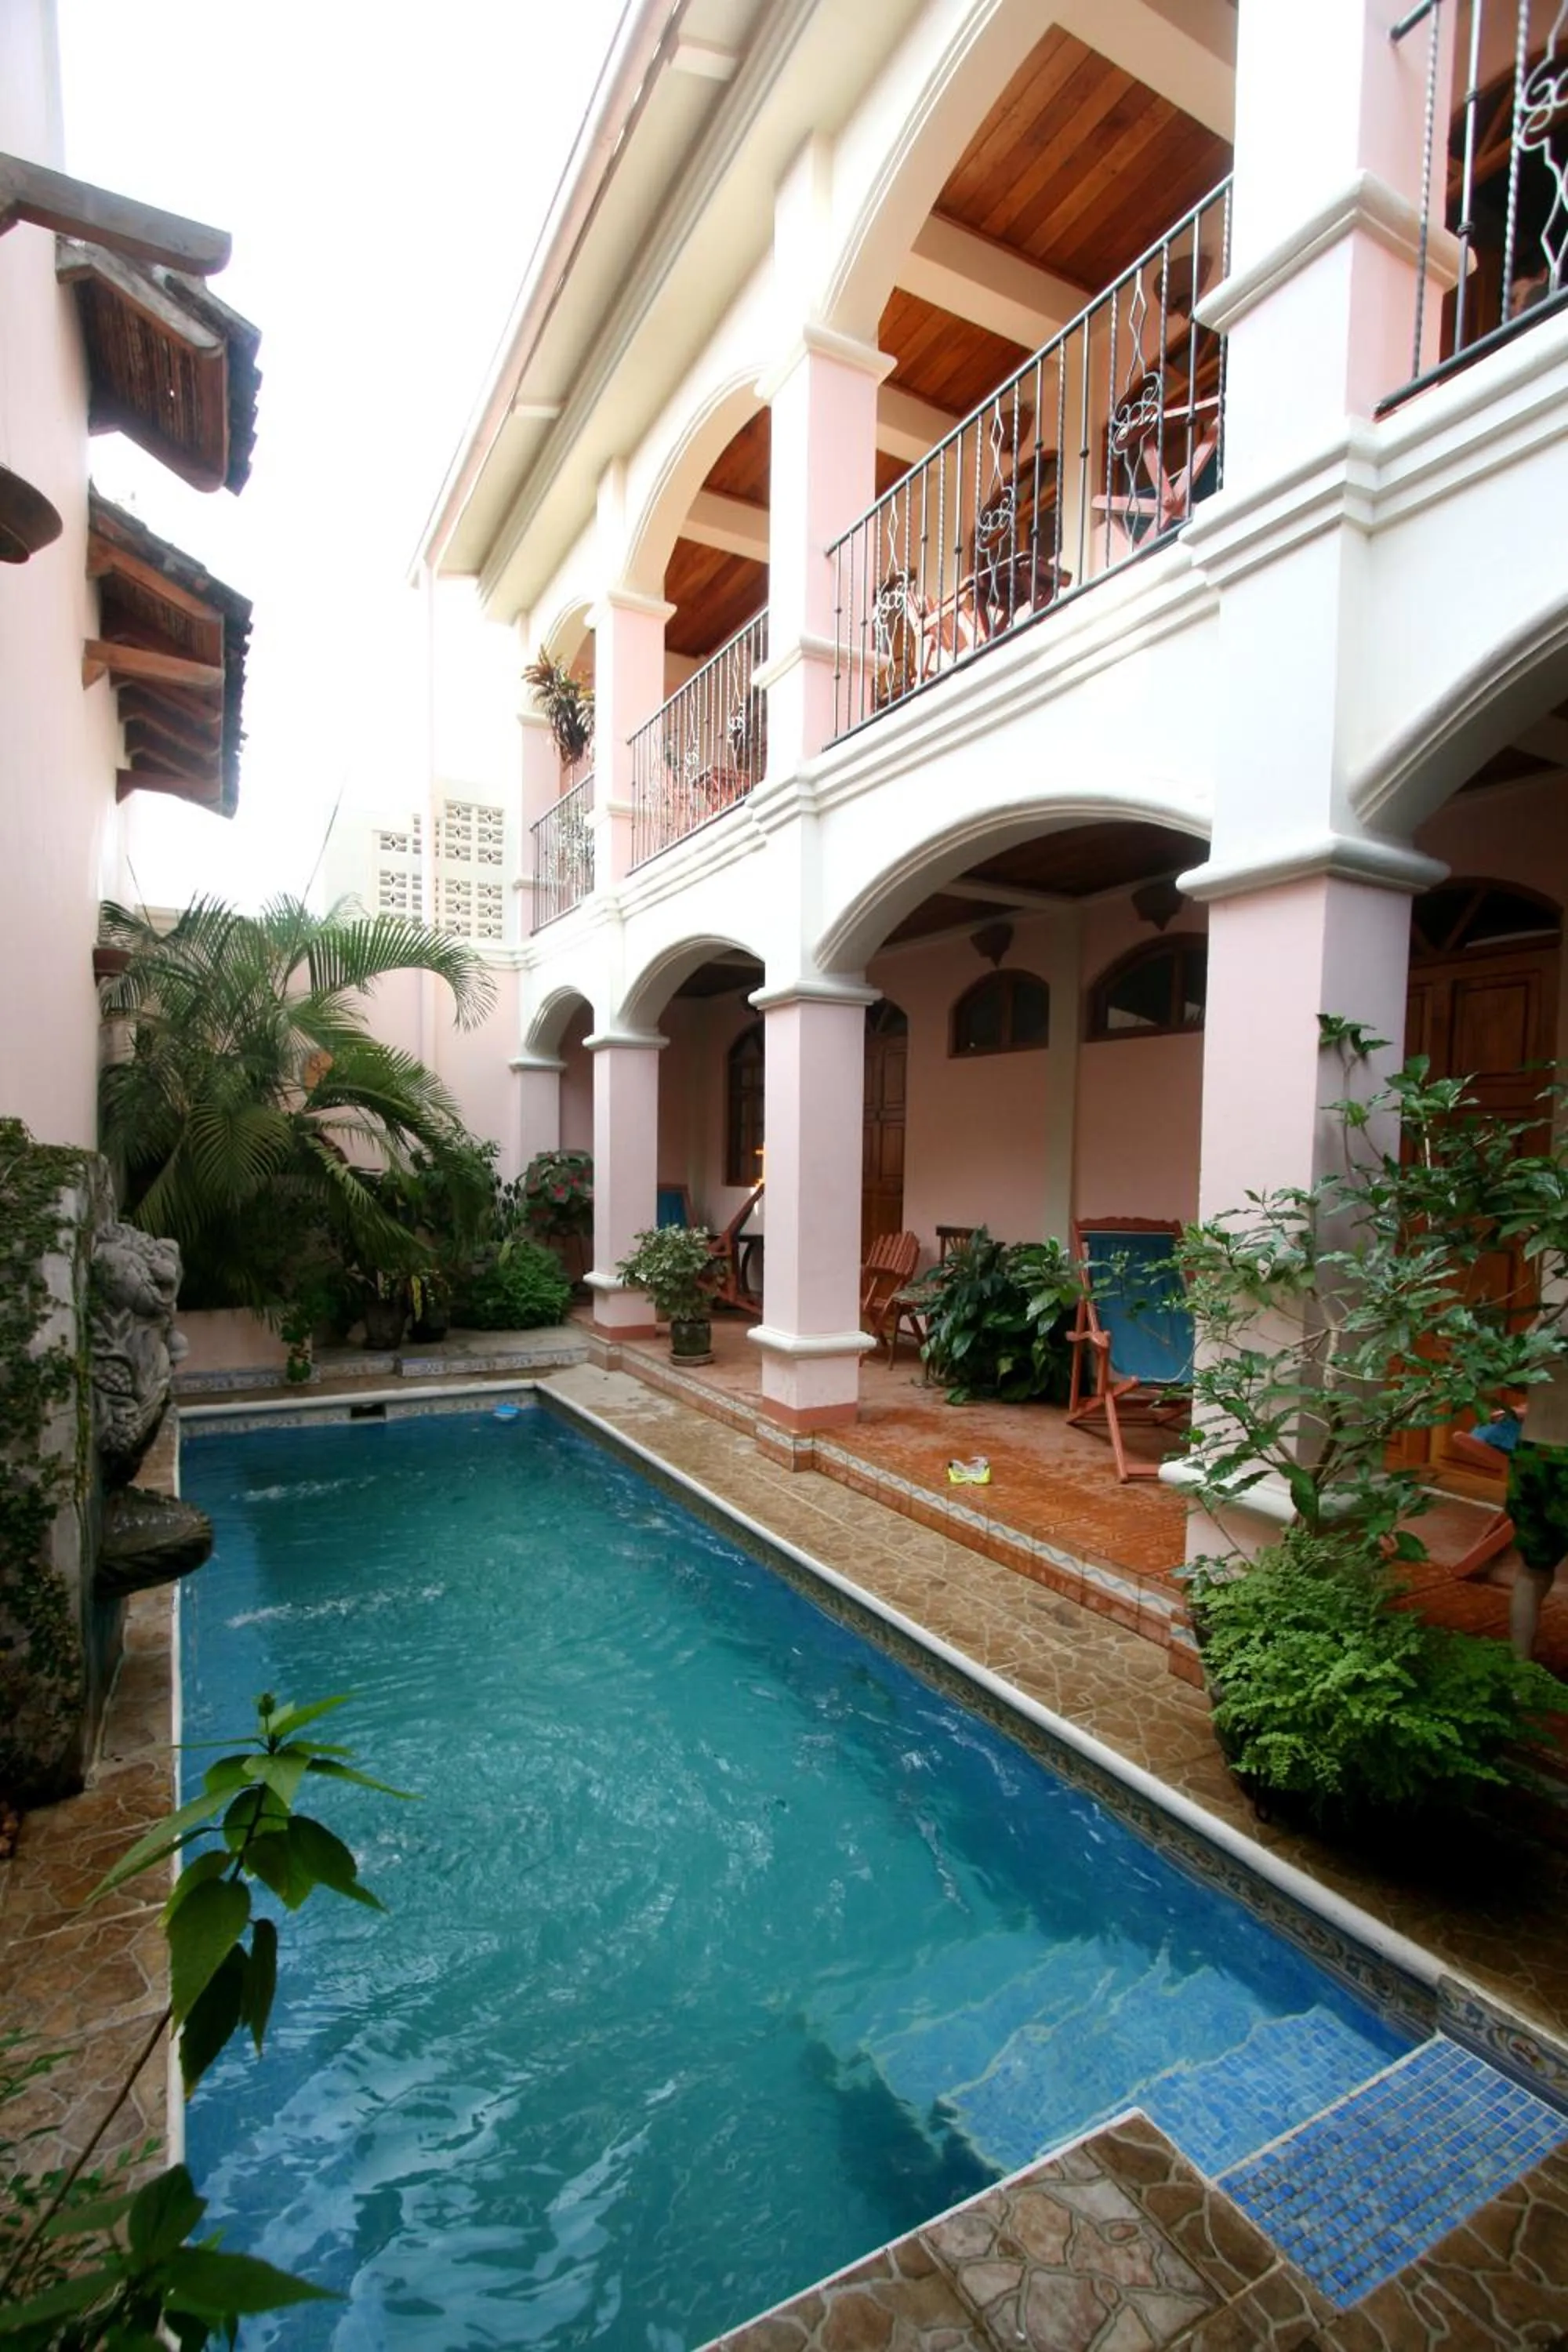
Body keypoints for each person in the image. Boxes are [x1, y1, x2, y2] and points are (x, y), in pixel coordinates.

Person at [1455, 1356, 1568, 1659]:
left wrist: (1532, 1409)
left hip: (1534, 1456)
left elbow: (1517, 1375)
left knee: (1533, 1570)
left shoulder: (1541, 1328)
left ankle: (1520, 1666)